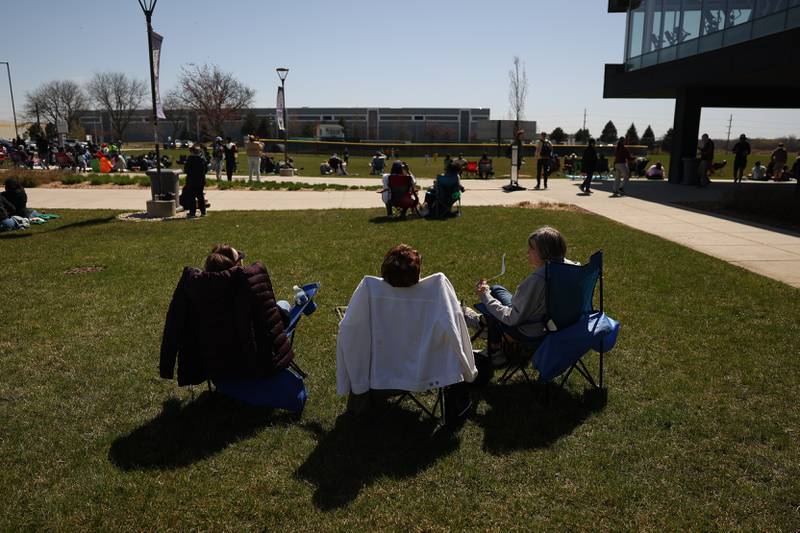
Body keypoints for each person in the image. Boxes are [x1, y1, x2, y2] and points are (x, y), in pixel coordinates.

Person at [336, 244, 477, 418]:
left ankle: (362, 409)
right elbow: (455, 328)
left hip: (380, 374)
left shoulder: (370, 289)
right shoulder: (437, 288)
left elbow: (349, 330)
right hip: (429, 371)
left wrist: (356, 380)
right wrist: (468, 370)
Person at [160, 244, 295, 387]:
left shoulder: (196, 291)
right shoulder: (247, 283)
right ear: (236, 265)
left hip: (214, 363)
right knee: (283, 304)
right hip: (252, 365)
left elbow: (172, 329)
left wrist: (166, 368)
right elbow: (269, 323)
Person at [474, 226, 578, 367]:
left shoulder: (539, 279)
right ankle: (483, 323)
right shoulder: (572, 267)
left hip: (531, 329)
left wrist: (484, 296)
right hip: (560, 324)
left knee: (491, 299)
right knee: (496, 289)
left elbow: (512, 319)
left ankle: (495, 350)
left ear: (544, 252)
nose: (527, 252)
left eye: (532, 248)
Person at [182, 145, 207, 217]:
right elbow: (206, 170)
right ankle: (203, 212)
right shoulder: (202, 159)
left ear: (192, 152)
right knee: (200, 196)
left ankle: (192, 212)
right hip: (201, 180)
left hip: (191, 181)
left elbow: (186, 170)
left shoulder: (190, 159)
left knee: (192, 197)